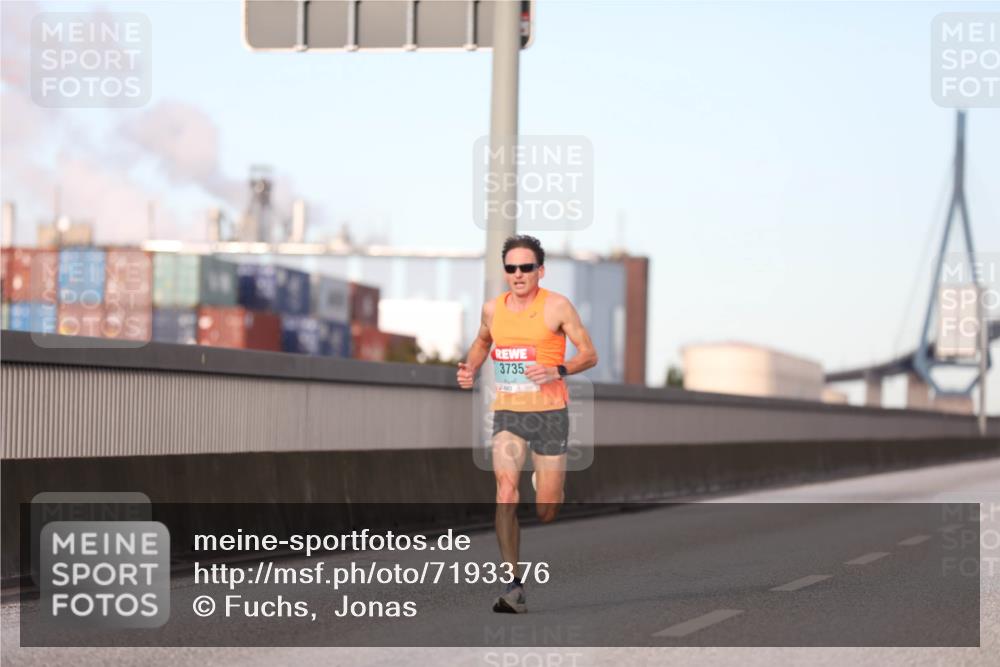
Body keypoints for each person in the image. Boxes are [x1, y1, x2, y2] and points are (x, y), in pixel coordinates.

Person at [456, 235, 598, 613]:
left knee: (547, 509)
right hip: (508, 413)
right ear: (505, 272)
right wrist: (470, 366)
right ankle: (513, 587)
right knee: (505, 492)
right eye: (511, 268)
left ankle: (547, 483)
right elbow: (481, 343)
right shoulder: (492, 309)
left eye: (526, 267)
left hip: (550, 414)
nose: (518, 274)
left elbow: (589, 354)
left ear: (540, 271)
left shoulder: (557, 307)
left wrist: (558, 368)